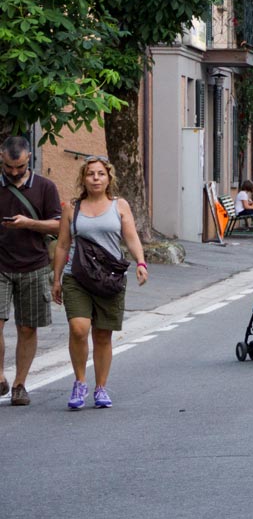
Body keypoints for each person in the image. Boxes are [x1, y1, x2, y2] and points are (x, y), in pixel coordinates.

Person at [51, 156, 148, 409]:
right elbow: (62, 244)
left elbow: (131, 238)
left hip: (109, 278)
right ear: (83, 178)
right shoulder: (73, 208)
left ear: (109, 178)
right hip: (77, 276)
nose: (96, 178)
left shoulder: (120, 206)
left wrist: (140, 262)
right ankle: (80, 382)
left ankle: (101, 387)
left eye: (100, 174)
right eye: (91, 174)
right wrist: (57, 278)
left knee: (103, 335)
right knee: (79, 329)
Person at [0, 136, 62, 406]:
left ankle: (19, 384)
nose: (14, 173)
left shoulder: (45, 187)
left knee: (27, 328)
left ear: (29, 160)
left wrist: (29, 224)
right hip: (0, 264)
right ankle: (0, 375)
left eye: (20, 168)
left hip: (34, 266)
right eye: (8, 167)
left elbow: (59, 226)